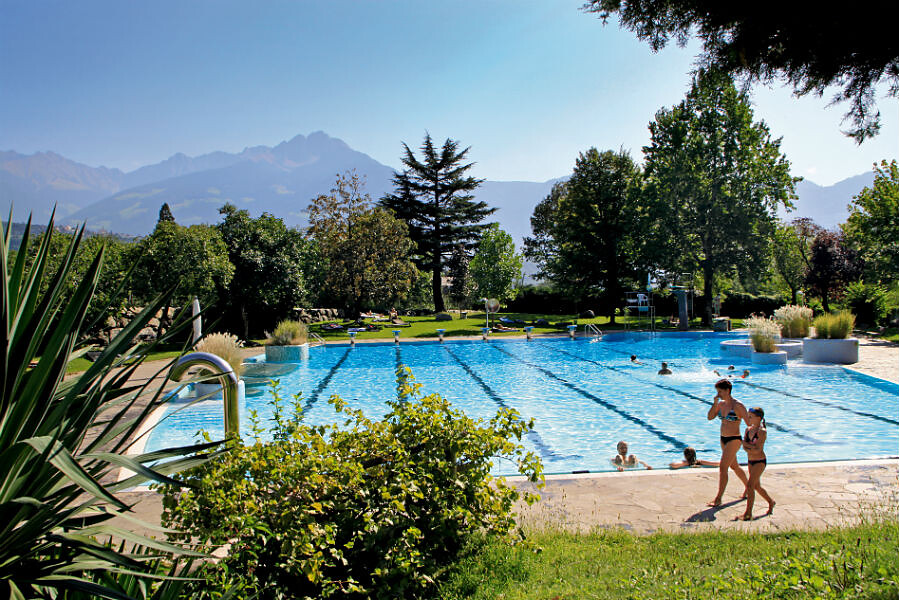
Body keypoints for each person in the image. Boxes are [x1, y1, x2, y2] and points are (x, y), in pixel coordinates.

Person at [706, 378, 750, 506]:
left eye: (720, 391)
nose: (718, 394)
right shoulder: (721, 404)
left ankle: (718, 498)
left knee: (723, 467)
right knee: (734, 466)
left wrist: (749, 441)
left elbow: (748, 424)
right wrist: (714, 403)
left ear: (727, 390)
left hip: (734, 439)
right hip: (723, 439)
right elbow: (710, 417)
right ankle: (749, 487)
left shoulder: (738, 406)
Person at [739, 407, 776, 520]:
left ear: (759, 418)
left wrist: (747, 445)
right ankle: (771, 501)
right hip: (751, 460)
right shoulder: (747, 430)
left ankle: (748, 513)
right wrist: (751, 447)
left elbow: (758, 450)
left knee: (750, 485)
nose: (748, 418)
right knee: (756, 486)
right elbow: (746, 447)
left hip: (760, 461)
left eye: (751, 417)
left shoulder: (762, 432)